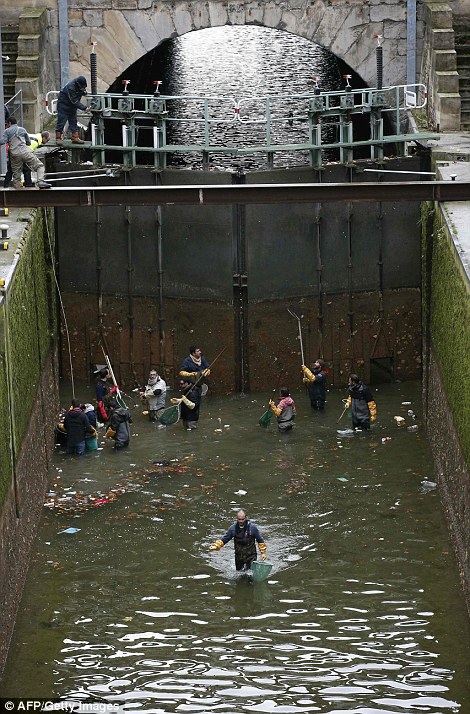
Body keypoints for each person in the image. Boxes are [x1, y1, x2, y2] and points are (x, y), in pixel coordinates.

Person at [0, 117, 51, 189]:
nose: (6, 126)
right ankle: (40, 182)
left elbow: (2, 141)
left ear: (9, 123)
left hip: (14, 155)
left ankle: (16, 191)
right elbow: (29, 142)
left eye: (7, 124)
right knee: (39, 166)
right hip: (25, 152)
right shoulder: (22, 129)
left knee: (16, 175)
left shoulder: (7, 131)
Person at [55, 76, 88, 145]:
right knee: (61, 121)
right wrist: (84, 108)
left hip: (72, 107)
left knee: (73, 121)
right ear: (78, 84)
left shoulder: (79, 85)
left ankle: (75, 137)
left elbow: (80, 92)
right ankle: (58, 138)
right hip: (63, 105)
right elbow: (74, 101)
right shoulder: (71, 87)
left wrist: (84, 92)